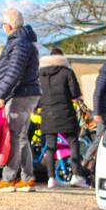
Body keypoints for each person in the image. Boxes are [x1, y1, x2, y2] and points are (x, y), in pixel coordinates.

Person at [0, 8, 41, 193]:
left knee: (15, 137)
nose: (3, 27)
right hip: (28, 93)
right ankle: (27, 178)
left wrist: (1, 95)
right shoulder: (23, 42)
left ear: (8, 26)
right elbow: (5, 67)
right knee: (21, 137)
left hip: (20, 94)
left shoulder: (19, 44)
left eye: (3, 23)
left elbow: (14, 71)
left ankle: (8, 179)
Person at [38, 48, 88, 189]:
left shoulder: (40, 74)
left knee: (51, 146)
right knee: (73, 142)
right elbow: (75, 93)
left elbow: (37, 94)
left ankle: (51, 178)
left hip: (47, 114)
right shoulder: (67, 72)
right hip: (65, 112)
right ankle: (76, 175)